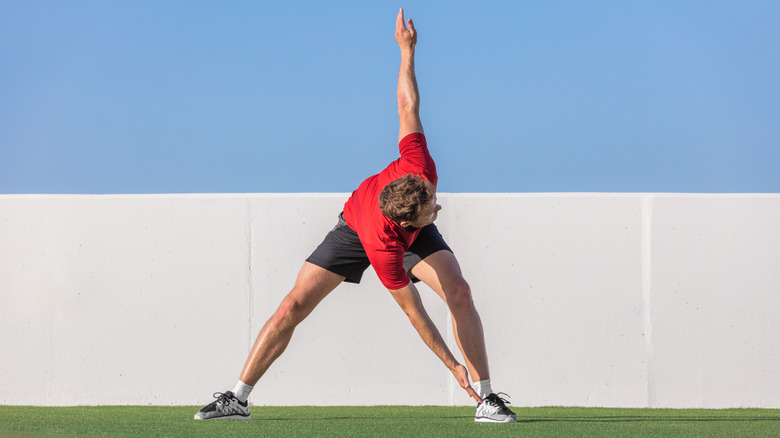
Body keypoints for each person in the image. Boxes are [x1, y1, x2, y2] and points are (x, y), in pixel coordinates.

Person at [195, 8, 516, 423]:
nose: (439, 207)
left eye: (433, 200)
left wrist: (406, 50)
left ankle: (488, 399)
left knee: (460, 292)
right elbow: (414, 313)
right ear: (406, 224)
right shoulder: (384, 247)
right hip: (355, 229)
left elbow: (407, 104)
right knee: (293, 305)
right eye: (431, 210)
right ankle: (236, 399)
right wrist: (451, 365)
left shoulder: (418, 167)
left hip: (398, 226)